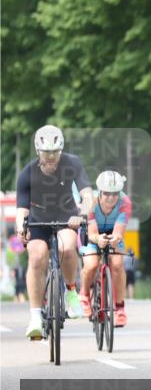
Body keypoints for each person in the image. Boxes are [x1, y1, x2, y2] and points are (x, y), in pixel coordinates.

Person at [15, 125, 94, 339]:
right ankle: (35, 317)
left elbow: (87, 195)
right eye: (46, 153)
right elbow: (21, 209)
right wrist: (21, 227)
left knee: (67, 248)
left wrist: (83, 214)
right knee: (37, 256)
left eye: (54, 153)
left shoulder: (72, 163)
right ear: (38, 151)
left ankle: (70, 292)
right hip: (37, 221)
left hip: (66, 217)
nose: (50, 157)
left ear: (61, 150)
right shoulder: (27, 173)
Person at [79, 171, 131, 327]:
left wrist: (114, 239)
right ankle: (84, 295)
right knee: (92, 264)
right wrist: (98, 239)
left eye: (115, 194)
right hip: (91, 234)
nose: (111, 198)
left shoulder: (125, 202)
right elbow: (93, 233)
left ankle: (120, 308)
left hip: (112, 234)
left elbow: (118, 231)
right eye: (107, 193)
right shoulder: (91, 203)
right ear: (100, 192)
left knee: (117, 265)